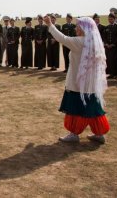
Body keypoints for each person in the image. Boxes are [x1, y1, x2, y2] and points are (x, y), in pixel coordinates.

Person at [44, 15, 110, 143]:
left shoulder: (80, 42)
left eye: (77, 26)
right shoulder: (95, 42)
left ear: (84, 28)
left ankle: (74, 133)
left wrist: (50, 25)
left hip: (78, 83)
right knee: (93, 109)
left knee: (75, 109)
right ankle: (99, 133)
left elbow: (62, 38)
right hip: (91, 84)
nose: (76, 29)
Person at [103, 13, 117, 79]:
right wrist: (106, 43)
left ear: (114, 19)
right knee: (108, 60)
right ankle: (111, 73)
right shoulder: (107, 27)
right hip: (107, 47)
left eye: (111, 19)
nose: (110, 20)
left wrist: (113, 44)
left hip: (115, 46)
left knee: (114, 59)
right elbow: (104, 37)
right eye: (109, 19)